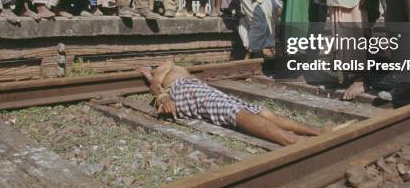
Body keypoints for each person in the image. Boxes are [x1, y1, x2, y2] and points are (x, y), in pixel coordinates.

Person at [138, 61, 322, 146]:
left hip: (196, 89)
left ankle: (315, 132)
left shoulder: (172, 67)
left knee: (259, 112)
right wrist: (164, 97)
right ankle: (291, 140)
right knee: (232, 111)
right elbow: (155, 85)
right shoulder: (165, 66)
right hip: (186, 89)